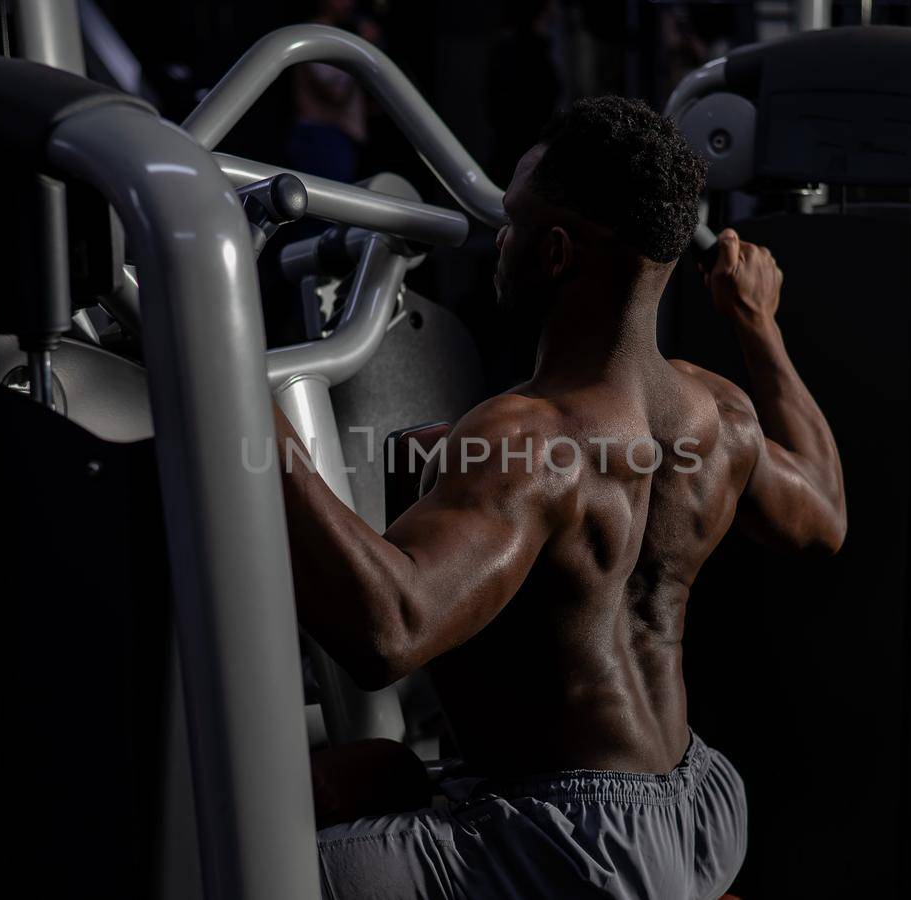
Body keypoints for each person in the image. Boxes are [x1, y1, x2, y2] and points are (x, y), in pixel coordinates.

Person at [273, 96, 846, 899]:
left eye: (510, 221)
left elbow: (388, 630)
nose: (494, 239)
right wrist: (758, 326)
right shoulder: (715, 413)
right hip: (698, 811)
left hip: (572, 847)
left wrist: (229, 375)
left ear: (553, 253)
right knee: (371, 775)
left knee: (242, 857)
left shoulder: (530, 439)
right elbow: (824, 516)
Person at [286, 0, 370, 183]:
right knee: (328, 207)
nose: (349, 3)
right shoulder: (315, 35)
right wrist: (361, 55)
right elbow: (335, 93)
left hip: (335, 137)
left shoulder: (335, 34)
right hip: (322, 138)